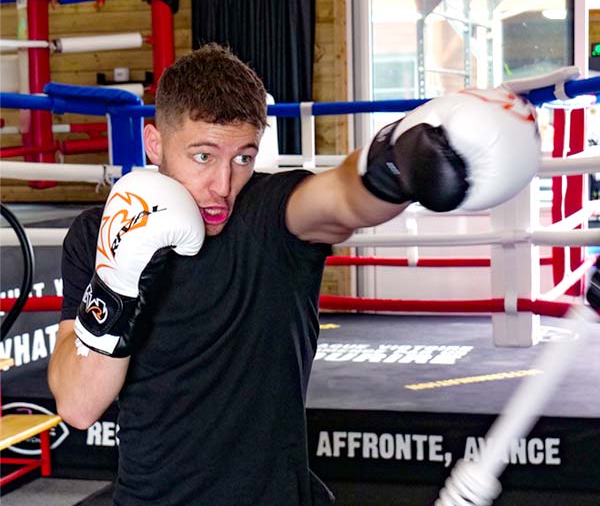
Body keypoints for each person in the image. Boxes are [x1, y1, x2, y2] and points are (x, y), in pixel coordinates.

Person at [48, 43, 540, 506]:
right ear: (154, 142)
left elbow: (343, 197)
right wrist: (117, 278)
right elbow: (78, 405)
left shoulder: (270, 212)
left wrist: (399, 165)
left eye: (243, 157)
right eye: (202, 155)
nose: (222, 184)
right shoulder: (97, 233)